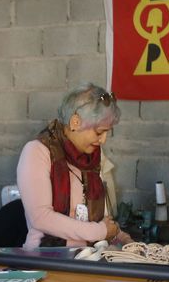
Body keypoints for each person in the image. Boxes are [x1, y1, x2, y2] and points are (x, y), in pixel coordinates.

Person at [16, 83, 128, 249]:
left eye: (107, 133)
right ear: (75, 122)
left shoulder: (92, 158)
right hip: (46, 259)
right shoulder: (37, 151)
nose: (103, 140)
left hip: (87, 259)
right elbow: (41, 218)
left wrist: (125, 240)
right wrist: (99, 232)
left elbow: (103, 220)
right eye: (99, 132)